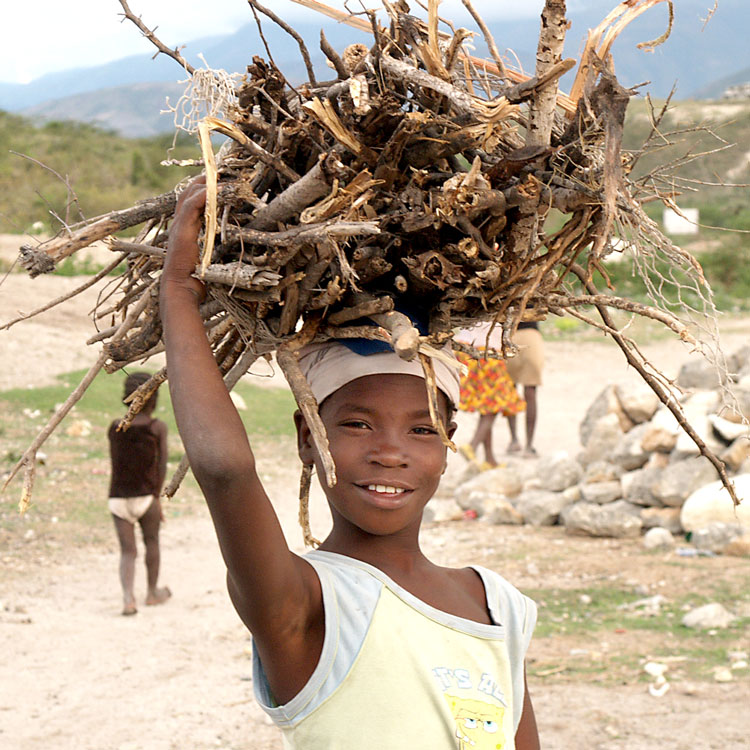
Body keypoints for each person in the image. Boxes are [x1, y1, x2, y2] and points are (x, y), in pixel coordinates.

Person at [161, 178, 540, 749]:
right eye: (358, 424)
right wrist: (178, 290)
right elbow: (224, 470)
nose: (390, 452)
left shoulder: (496, 606)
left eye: (421, 429)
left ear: (447, 443)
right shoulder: (306, 604)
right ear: (307, 436)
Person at [107, 371, 170, 615]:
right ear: (154, 399)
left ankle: (128, 599)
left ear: (126, 397)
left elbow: (116, 463)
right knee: (151, 542)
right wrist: (157, 498)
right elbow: (162, 465)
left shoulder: (114, 427)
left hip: (117, 498)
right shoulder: (157, 428)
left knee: (127, 551)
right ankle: (152, 593)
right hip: (146, 497)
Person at [454, 322, 526, 470]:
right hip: (486, 350)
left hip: (464, 348)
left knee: (486, 403)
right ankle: (472, 446)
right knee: (495, 402)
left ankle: (489, 459)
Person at [505, 322, 544, 458]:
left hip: (509, 334)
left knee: (510, 390)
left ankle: (514, 440)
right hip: (531, 335)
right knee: (530, 391)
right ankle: (529, 446)